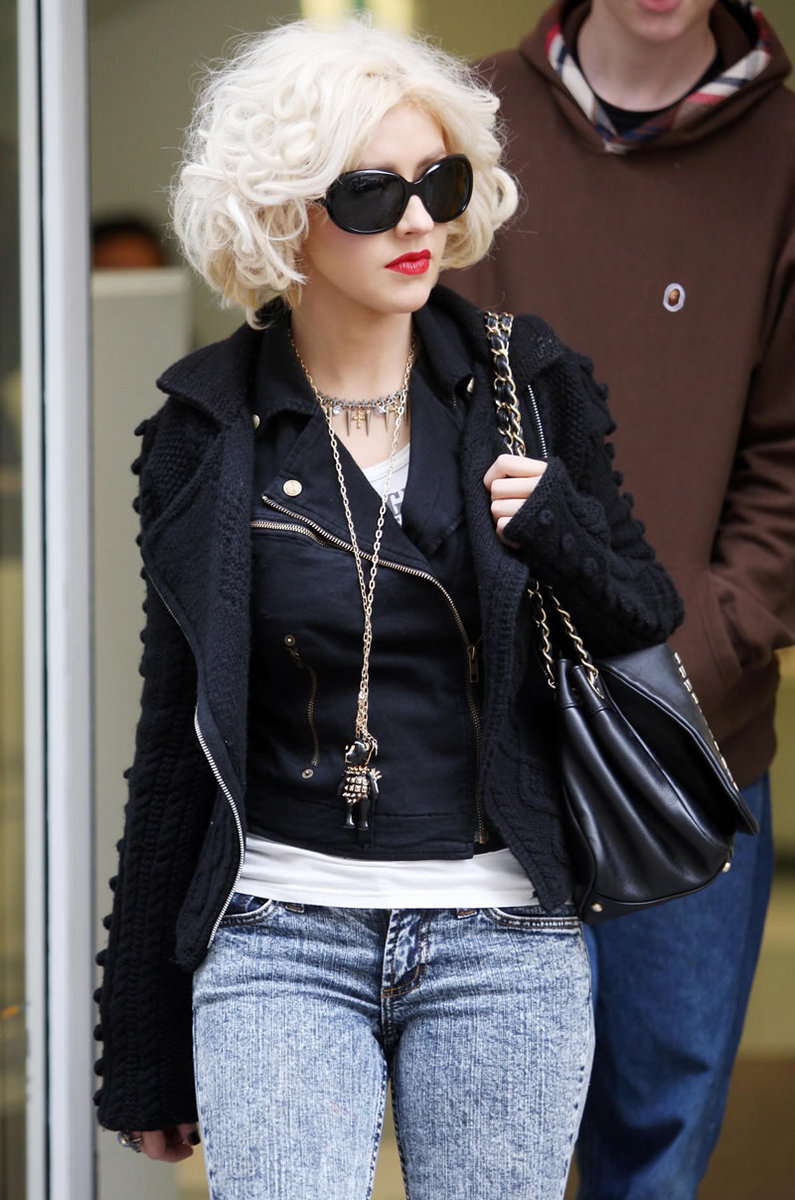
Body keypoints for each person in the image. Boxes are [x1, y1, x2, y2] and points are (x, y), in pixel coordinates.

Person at [92, 18, 682, 1199]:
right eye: (370, 194)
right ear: (283, 215)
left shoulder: (530, 386)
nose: (418, 222)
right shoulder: (205, 434)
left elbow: (642, 618)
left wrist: (556, 525)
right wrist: (142, 1043)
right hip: (278, 934)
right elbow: (173, 745)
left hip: (501, 936)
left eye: (438, 183)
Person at [449, 1, 795, 1196]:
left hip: (689, 742)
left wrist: (686, 653)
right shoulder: (456, 122)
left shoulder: (783, 156)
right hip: (477, 742)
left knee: (652, 1150)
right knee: (486, 1151)